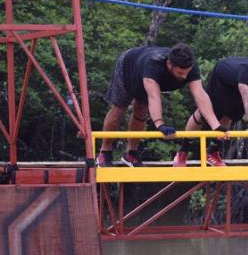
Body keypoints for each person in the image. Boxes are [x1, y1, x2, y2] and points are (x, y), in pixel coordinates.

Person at [96, 43, 225, 167]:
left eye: (187, 72)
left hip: (145, 72)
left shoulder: (190, 66)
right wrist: (159, 124)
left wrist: (216, 126)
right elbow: (153, 96)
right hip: (129, 66)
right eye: (180, 73)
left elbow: (200, 94)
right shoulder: (153, 64)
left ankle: (131, 153)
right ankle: (105, 152)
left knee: (141, 110)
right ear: (169, 64)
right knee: (119, 108)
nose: (184, 76)